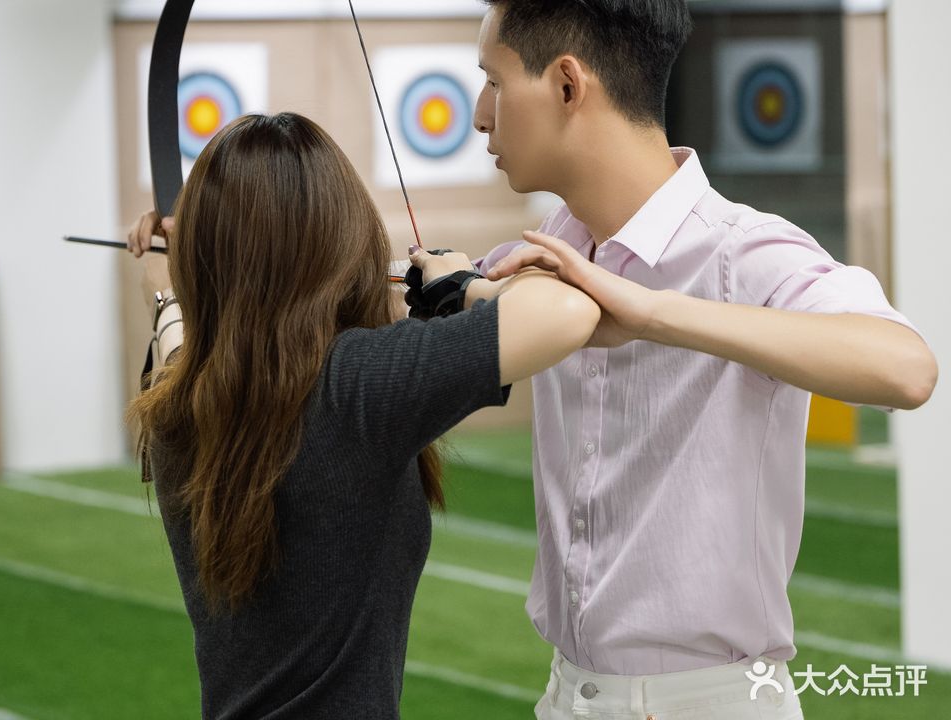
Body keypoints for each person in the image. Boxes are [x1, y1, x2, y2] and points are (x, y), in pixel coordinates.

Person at [454, 1, 937, 719]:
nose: (480, 115)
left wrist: (652, 314)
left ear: (566, 86)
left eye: (493, 81)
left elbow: (907, 369)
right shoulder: (545, 255)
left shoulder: (744, 250)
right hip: (567, 696)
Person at [125, 111, 601, 720]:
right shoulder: (355, 385)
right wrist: (460, 283)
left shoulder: (175, 407)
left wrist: (167, 287)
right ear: (342, 240)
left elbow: (179, 346)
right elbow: (566, 310)